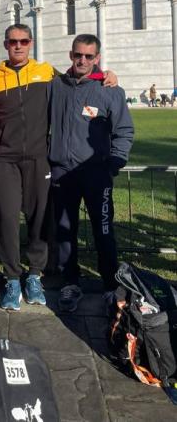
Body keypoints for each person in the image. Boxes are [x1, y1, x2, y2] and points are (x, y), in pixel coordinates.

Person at [0, 24, 117, 311]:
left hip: (39, 157)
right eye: (13, 41)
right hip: (5, 159)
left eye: (23, 41)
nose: (18, 46)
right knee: (8, 218)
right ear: (5, 44)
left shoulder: (46, 72)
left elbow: (77, 78)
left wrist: (104, 74)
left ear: (31, 43)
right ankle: (12, 278)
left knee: (39, 218)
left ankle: (35, 274)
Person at [48, 34, 134, 312]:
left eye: (88, 56)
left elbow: (124, 130)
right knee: (65, 231)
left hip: (97, 174)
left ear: (97, 58)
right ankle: (70, 282)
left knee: (104, 231)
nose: (82, 60)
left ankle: (110, 285)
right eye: (78, 55)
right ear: (70, 55)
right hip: (63, 173)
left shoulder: (110, 90)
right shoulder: (56, 86)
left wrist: (114, 163)